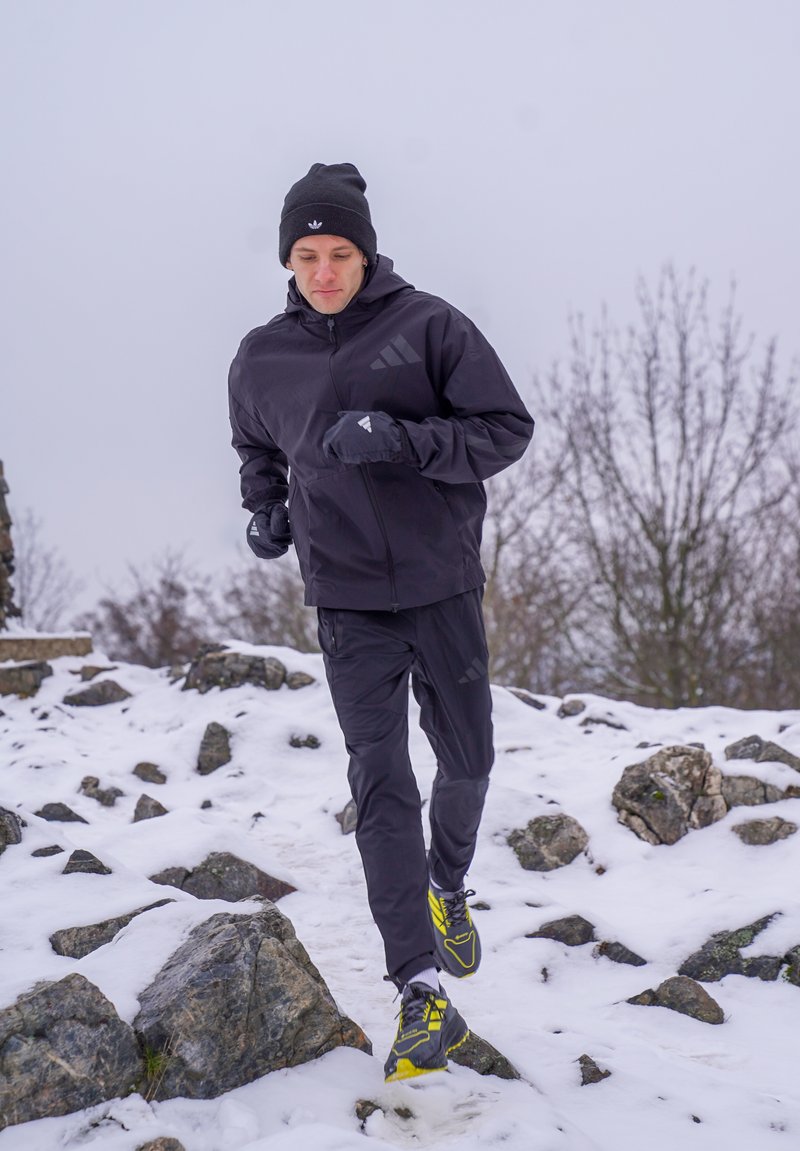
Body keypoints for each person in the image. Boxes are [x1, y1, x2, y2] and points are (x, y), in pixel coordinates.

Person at [229, 162, 534, 1081]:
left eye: (341, 252)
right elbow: (255, 442)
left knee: (469, 757)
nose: (324, 270)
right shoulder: (259, 355)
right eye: (307, 254)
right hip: (348, 597)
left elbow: (505, 427)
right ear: (289, 258)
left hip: (439, 583)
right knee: (381, 778)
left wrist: (405, 441)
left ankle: (448, 884)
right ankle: (417, 987)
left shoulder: (430, 325)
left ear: (367, 252)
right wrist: (266, 506)